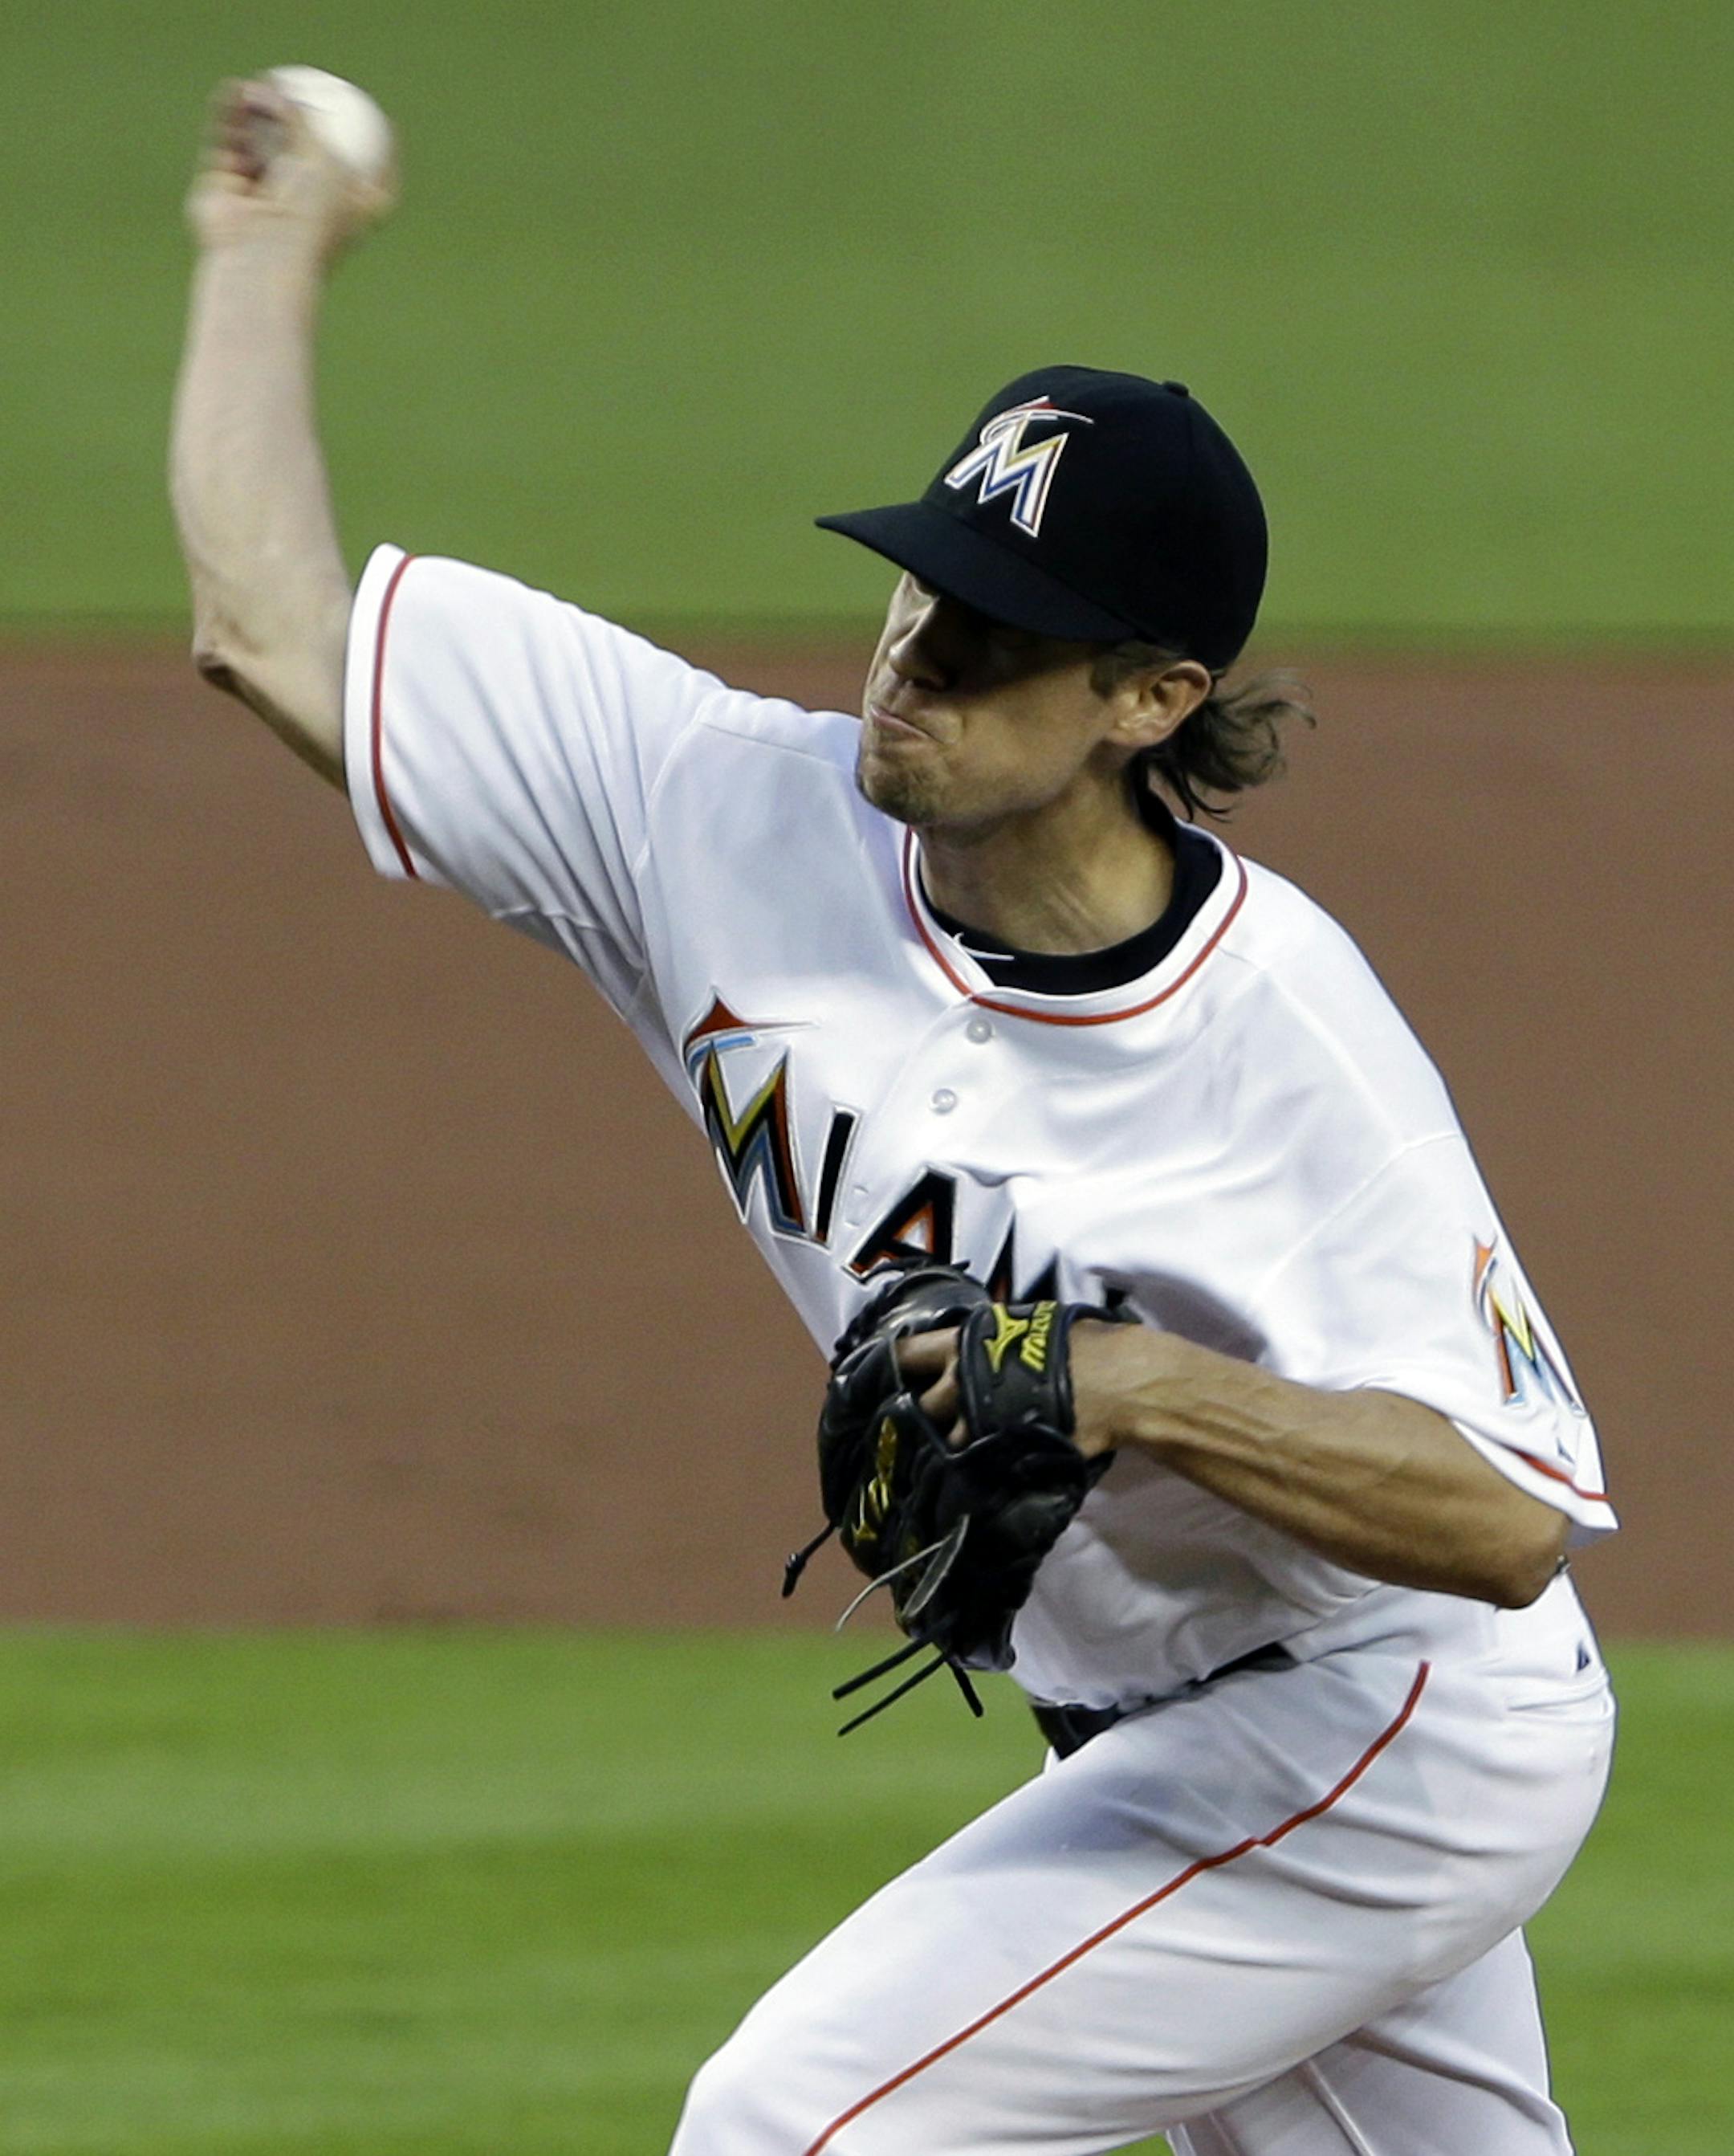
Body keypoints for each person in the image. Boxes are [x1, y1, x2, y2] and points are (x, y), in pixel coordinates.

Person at [172, 79, 1616, 2156]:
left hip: (1390, 1726)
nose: (913, 661)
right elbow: (272, 630)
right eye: (918, 588)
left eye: (994, 641)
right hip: (1162, 1722)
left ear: (1149, 698)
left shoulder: (1287, 1042)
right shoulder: (716, 807)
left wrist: (1134, 1386)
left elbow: (1505, 1523)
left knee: (796, 2127)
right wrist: (260, 249)